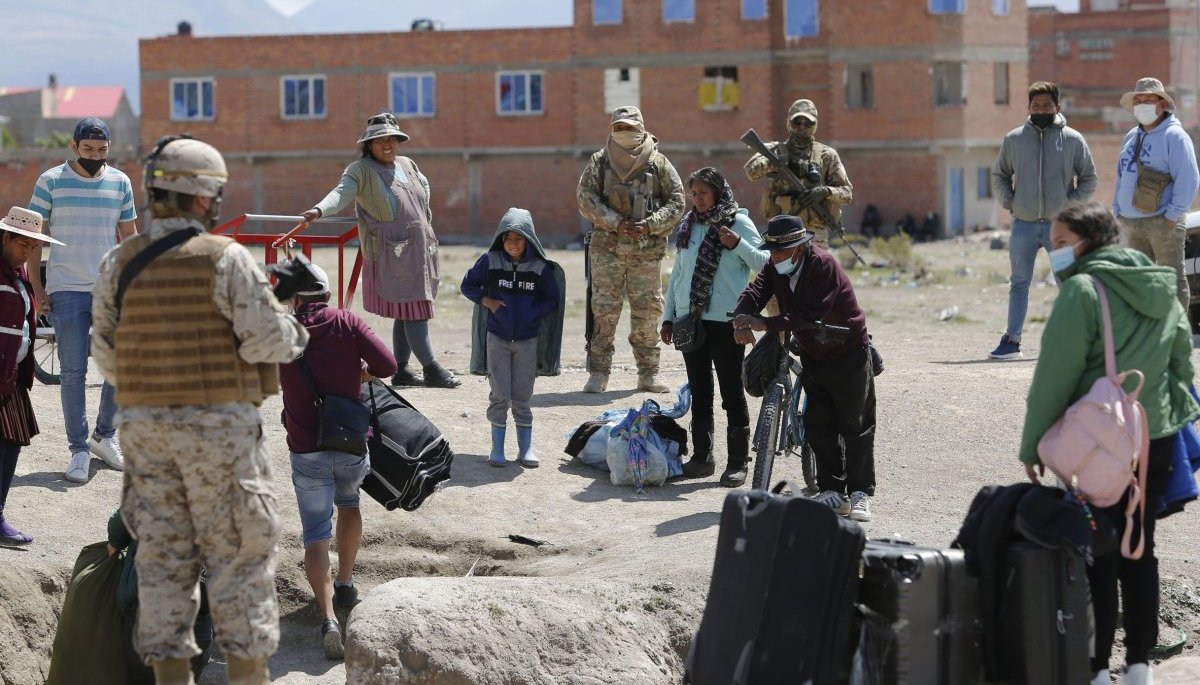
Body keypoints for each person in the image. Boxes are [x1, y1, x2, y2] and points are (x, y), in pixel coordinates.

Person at [91, 134, 308, 685]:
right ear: (201, 196)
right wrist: (290, 319)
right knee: (240, 563)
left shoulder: (119, 262)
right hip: (222, 435)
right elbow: (267, 345)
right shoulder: (225, 258)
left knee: (163, 565)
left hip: (145, 435)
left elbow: (108, 359)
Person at [1017, 201, 1199, 685]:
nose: (1053, 252)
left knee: (1098, 548)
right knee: (1141, 546)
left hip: (1099, 445)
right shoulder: (1158, 282)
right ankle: (1139, 666)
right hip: (1153, 437)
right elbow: (1183, 357)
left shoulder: (1081, 289)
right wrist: (1164, 411)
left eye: (1059, 243)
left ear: (1087, 241)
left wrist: (1032, 445)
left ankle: (1098, 668)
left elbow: (1055, 375)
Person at [279, 262, 396, 661]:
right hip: (349, 442)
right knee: (349, 504)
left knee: (315, 532)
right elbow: (389, 366)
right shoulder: (347, 322)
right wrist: (360, 375)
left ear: (295, 298)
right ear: (326, 295)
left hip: (305, 447)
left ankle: (328, 617)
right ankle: (345, 582)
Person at [732, 215, 877, 522]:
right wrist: (742, 318)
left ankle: (860, 492)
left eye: (780, 252)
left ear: (799, 248)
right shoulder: (775, 266)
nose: (775, 257)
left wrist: (763, 324)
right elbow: (755, 292)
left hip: (847, 349)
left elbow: (809, 314)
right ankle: (831, 490)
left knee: (855, 423)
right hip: (814, 351)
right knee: (818, 422)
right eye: (772, 251)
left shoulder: (822, 265)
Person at [300, 112, 460, 389]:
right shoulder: (359, 170)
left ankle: (401, 369)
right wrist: (319, 210)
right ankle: (432, 368)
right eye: (380, 140)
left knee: (406, 309)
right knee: (415, 309)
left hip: (419, 248)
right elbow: (341, 194)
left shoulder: (407, 164)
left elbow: (423, 192)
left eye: (392, 139)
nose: (387, 144)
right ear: (368, 145)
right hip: (391, 252)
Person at [27, 116, 137, 483]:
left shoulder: (121, 182)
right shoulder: (51, 181)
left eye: (102, 150)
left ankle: (103, 437)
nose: (95, 155)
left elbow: (130, 240)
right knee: (72, 372)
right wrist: (37, 290)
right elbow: (33, 242)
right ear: (74, 146)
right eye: (88, 149)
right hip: (65, 288)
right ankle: (77, 449)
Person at [660, 168, 768, 487]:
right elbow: (678, 273)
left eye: (703, 193)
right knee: (701, 390)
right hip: (690, 321)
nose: (698, 199)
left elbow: (764, 264)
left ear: (718, 193)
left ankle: (738, 462)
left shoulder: (738, 223)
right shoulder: (688, 226)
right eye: (693, 194)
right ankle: (702, 457)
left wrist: (736, 245)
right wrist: (668, 316)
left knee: (731, 391)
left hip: (727, 322)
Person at [577, 105, 685, 394]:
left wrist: (650, 224)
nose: (625, 133)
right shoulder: (599, 162)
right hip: (607, 251)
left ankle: (648, 375)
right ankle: (599, 373)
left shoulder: (658, 163)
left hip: (645, 253)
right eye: (619, 128)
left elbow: (677, 201)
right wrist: (616, 222)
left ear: (642, 128)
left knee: (647, 312)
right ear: (612, 129)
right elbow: (584, 198)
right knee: (603, 311)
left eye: (630, 128)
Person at [990, 81, 1098, 360]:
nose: (1040, 109)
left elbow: (1089, 177)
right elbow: (1000, 174)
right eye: (1035, 105)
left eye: (1046, 105)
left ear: (1057, 107)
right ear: (1028, 108)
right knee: (1019, 283)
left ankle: (1077, 341)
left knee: (1068, 283)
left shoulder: (1073, 139)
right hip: (1023, 226)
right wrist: (1010, 202)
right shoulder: (1014, 139)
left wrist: (1068, 207)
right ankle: (1012, 341)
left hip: (1059, 230)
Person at [461, 207, 564, 468]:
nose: (512, 244)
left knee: (522, 394)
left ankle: (525, 448)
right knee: (499, 392)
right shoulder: (490, 261)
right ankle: (497, 449)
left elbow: (552, 299)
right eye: (507, 239)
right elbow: (468, 285)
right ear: (500, 239)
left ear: (528, 238)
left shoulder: (539, 268)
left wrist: (533, 313)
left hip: (528, 341)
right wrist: (487, 301)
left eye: (518, 239)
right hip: (497, 338)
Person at [0, 207, 63, 545]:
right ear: (6, 237)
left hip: (11, 375)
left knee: (12, 441)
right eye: (23, 245)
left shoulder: (20, 274)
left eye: (33, 247)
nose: (28, 253)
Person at [1113, 77, 1200, 311]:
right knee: (1137, 281)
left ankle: (1175, 336)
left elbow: (1189, 179)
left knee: (1172, 279)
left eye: (1149, 99)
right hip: (1130, 222)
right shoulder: (1131, 137)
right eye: (1138, 100)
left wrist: (1171, 216)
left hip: (1163, 222)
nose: (1142, 104)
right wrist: (1117, 211)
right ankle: (1147, 337)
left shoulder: (1175, 136)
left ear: (1161, 103)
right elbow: (1121, 175)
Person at [744, 98, 853, 248]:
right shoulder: (775, 149)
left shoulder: (827, 155)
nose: (802, 127)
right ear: (789, 122)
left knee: (816, 271)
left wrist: (824, 191)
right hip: (782, 231)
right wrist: (778, 162)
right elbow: (751, 171)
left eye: (808, 123)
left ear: (815, 125)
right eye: (797, 122)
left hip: (815, 235)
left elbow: (847, 194)